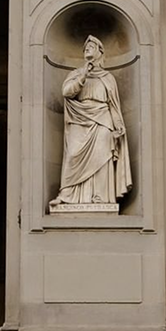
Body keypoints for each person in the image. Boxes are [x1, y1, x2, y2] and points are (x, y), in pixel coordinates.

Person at [49, 34, 132, 207]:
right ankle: (67, 195)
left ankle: (100, 197)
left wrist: (119, 125)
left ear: (100, 51)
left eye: (91, 46)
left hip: (102, 120)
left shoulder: (108, 78)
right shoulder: (76, 74)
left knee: (102, 157)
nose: (87, 48)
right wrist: (83, 75)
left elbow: (113, 105)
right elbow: (66, 92)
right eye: (85, 47)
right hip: (79, 120)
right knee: (72, 155)